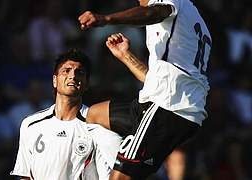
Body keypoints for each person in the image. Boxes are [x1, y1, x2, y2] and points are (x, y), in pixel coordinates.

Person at [78, 0, 212, 179]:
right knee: (94, 115)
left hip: (167, 107)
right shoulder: (193, 21)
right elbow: (156, 79)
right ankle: (123, 167)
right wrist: (126, 56)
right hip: (172, 103)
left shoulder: (168, 5)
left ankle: (124, 169)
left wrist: (106, 19)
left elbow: (152, 13)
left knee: (121, 178)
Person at [10, 49, 121, 179]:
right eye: (66, 71)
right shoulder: (30, 125)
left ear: (86, 84)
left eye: (79, 72)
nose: (73, 76)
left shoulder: (97, 127)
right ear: (54, 81)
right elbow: (25, 175)